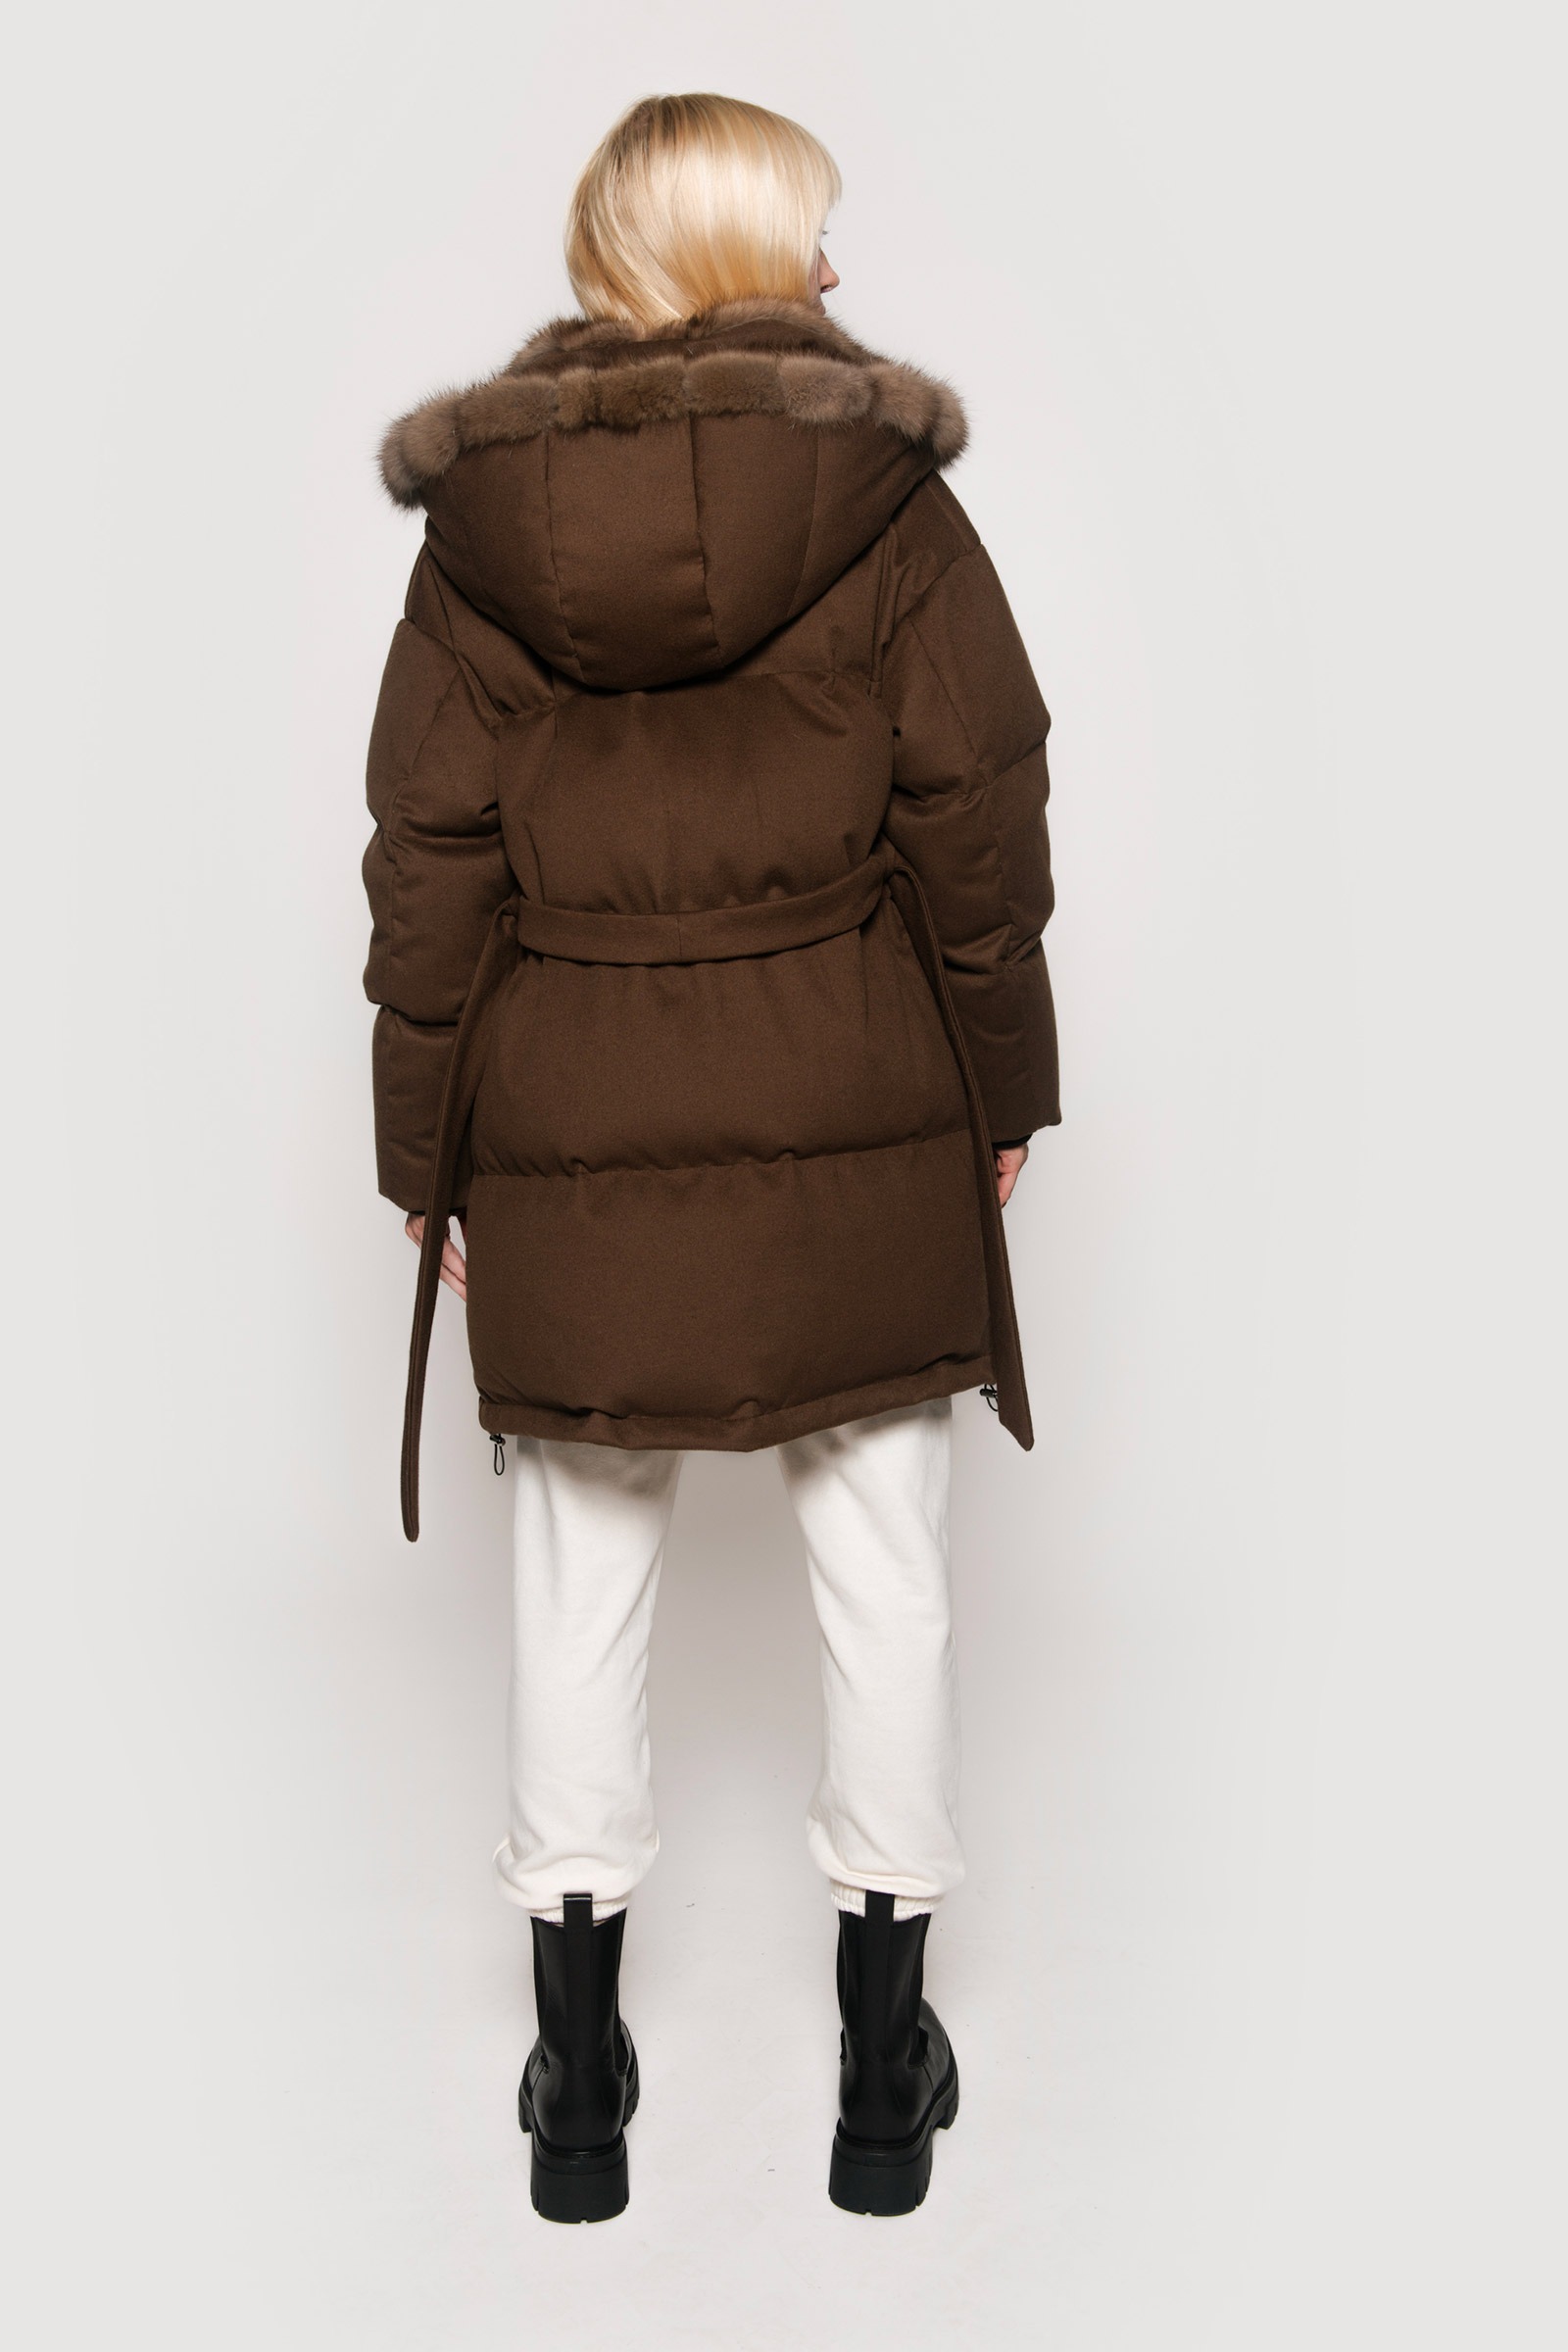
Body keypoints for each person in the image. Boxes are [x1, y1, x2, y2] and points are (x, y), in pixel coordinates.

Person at [364, 91, 1059, 2223]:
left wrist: (430, 1160)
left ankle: (577, 2091)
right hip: (857, 1095)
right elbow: (979, 825)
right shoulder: (891, 507)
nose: (839, 274)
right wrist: (999, 1095)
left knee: (577, 1584)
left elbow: (428, 867)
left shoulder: (478, 537)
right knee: (888, 1576)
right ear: (742, 258)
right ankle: (883, 2079)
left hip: (571, 1123)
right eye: (808, 235)